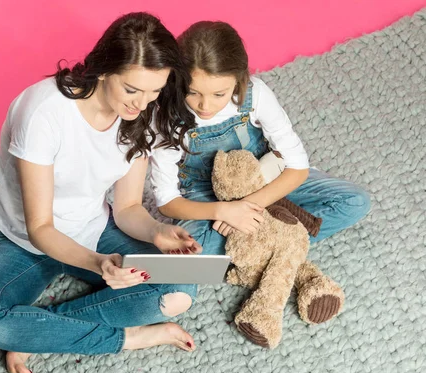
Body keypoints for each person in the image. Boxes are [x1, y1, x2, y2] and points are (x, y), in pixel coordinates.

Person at [0, 12, 203, 373]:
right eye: (132, 89)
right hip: (24, 241)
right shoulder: (43, 113)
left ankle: (38, 330)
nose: (142, 103)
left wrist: (156, 231)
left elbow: (126, 208)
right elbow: (40, 227)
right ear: (103, 69)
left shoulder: (142, 113)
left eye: (155, 91)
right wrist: (99, 263)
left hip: (93, 227)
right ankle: (127, 338)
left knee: (182, 289)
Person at [150, 21, 371, 255]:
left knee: (355, 202)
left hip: (264, 176)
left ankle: (263, 245)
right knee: (191, 251)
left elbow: (297, 167)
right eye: (192, 92)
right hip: (206, 194)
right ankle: (269, 242)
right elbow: (167, 202)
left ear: (239, 80)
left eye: (219, 94)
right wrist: (223, 212)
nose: (205, 105)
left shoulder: (256, 95)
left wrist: (247, 207)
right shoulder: (166, 114)